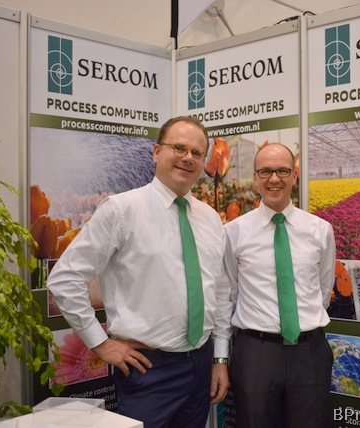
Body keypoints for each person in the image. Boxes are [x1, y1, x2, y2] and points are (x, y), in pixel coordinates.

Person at [46, 116, 230, 428]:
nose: (188, 158)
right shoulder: (121, 210)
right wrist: (100, 343)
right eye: (179, 148)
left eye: (197, 153)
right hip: (148, 370)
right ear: (157, 152)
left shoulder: (210, 218)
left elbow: (220, 291)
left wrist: (219, 358)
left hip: (201, 364)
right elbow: (64, 278)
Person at [220, 142, 336, 428]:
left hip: (309, 353)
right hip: (256, 355)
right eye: (266, 171)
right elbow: (228, 295)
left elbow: (323, 291)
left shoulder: (320, 230)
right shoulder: (233, 232)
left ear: (294, 176)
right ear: (255, 177)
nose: (274, 179)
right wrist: (220, 357)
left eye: (283, 171)